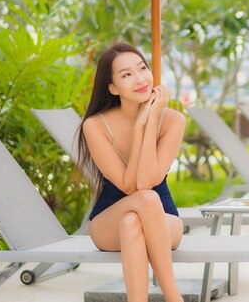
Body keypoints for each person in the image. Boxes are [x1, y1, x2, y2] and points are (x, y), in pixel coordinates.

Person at [77, 43, 186, 302]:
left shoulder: (173, 120)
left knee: (136, 216)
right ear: (112, 88)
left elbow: (149, 181)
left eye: (142, 69)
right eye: (126, 75)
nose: (139, 79)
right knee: (142, 202)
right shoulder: (95, 125)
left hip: (163, 219)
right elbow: (130, 187)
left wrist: (151, 120)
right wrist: (141, 127)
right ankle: (174, 297)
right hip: (109, 220)